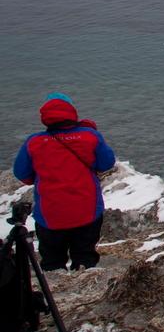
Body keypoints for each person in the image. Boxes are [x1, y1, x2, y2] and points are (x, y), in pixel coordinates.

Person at [12, 93, 116, 271]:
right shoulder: (89, 136)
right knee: (85, 257)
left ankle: (54, 285)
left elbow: (22, 174)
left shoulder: (34, 142)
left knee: (52, 260)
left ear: (45, 118)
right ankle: (83, 277)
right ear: (72, 113)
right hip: (87, 211)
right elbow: (106, 163)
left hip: (50, 215)